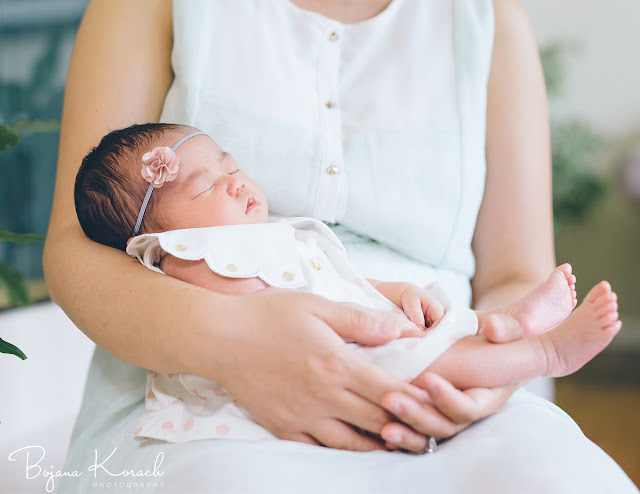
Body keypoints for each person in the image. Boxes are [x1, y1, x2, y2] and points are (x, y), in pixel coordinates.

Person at [44, 0, 638, 492]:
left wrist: (484, 376)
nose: (232, 179)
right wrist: (231, 343)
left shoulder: (485, 17)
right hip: (203, 390)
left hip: (437, 370)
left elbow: (516, 269)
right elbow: (78, 247)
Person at [72, 123, 621, 445]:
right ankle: (546, 352)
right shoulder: (187, 254)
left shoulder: (277, 233)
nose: (235, 180)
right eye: (206, 185)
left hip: (360, 330)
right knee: (430, 364)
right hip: (307, 359)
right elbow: (250, 322)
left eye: (230, 164)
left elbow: (347, 278)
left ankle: (502, 324)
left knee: (436, 334)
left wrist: (397, 292)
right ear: (158, 234)